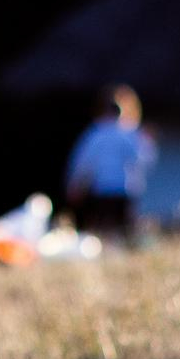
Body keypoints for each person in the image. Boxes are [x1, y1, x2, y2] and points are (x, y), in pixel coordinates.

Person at [62, 85, 157, 244]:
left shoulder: (95, 133)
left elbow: (83, 163)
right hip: (125, 190)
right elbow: (145, 159)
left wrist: (75, 185)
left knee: (103, 231)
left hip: (102, 190)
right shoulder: (131, 133)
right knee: (124, 232)